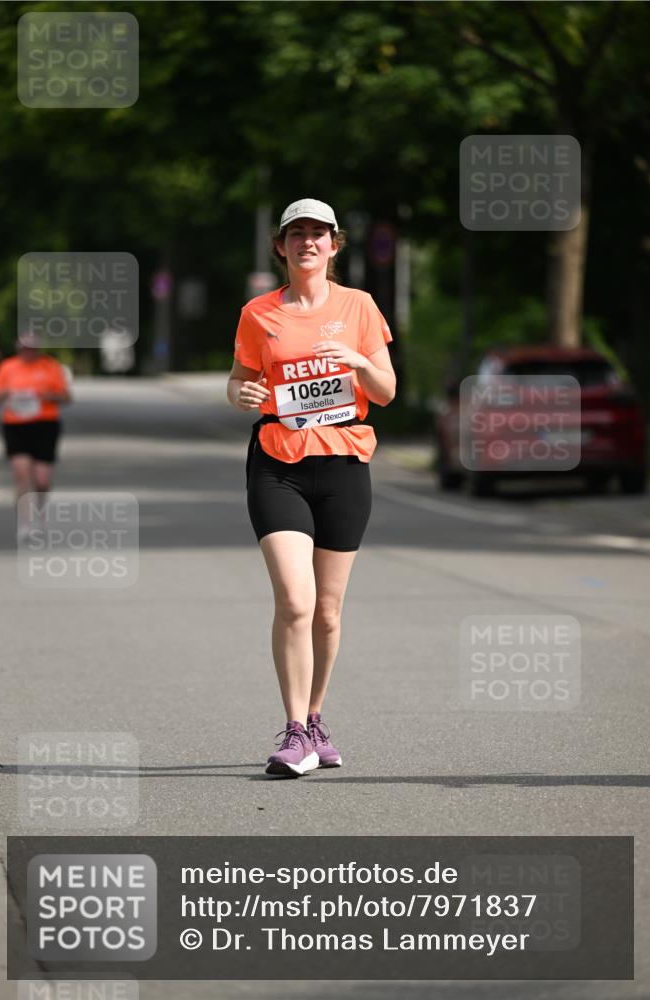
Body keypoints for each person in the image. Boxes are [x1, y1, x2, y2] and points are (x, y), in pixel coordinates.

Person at [227, 198, 396, 777]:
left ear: (333, 244)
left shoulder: (359, 306)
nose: (307, 242)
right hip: (278, 461)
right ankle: (295, 731)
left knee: (327, 611)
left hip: (345, 463)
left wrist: (355, 358)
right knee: (295, 601)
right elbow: (239, 381)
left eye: (318, 234)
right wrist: (241, 395)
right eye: (295, 233)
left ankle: (317, 720)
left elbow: (388, 389)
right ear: (280, 246)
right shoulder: (258, 313)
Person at [0, 331, 72, 537]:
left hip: (44, 425)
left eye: (32, 348)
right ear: (18, 349)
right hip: (15, 425)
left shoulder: (50, 367)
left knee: (42, 480)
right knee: (22, 474)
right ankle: (25, 522)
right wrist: (4, 394)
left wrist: (48, 396)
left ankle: (41, 514)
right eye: (24, 348)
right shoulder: (8, 367)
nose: (28, 352)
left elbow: (66, 397)